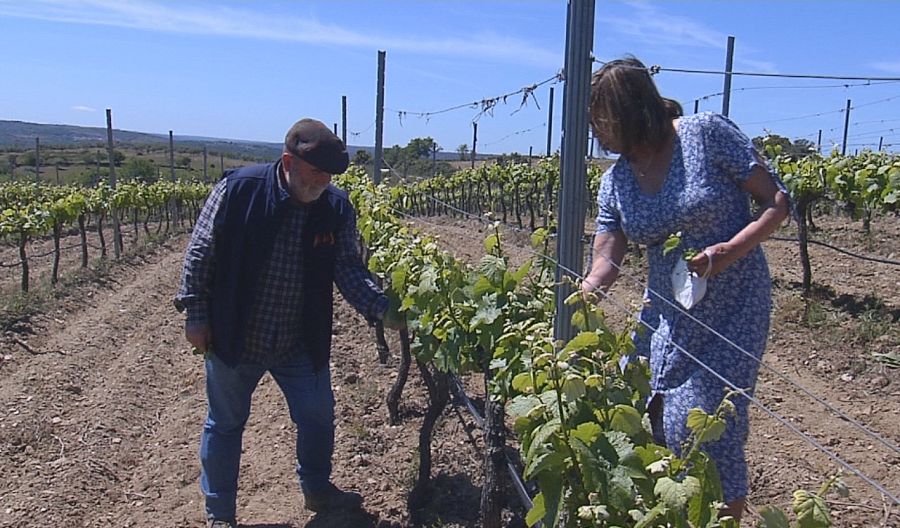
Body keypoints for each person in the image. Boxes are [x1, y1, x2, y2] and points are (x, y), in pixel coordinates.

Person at [581, 57, 790, 523]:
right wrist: (593, 283)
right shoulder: (617, 179)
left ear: (634, 111)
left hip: (733, 304)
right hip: (666, 310)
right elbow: (608, 245)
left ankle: (718, 517)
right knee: (644, 409)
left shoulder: (705, 134)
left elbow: (777, 201)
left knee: (707, 428)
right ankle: (676, 513)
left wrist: (729, 251)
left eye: (604, 122)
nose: (599, 134)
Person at [174, 118, 403, 528]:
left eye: (330, 175)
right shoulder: (238, 190)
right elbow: (200, 252)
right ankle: (219, 514)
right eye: (316, 172)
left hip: (299, 338)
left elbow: (348, 268)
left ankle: (316, 489)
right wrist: (196, 313)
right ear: (288, 162)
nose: (323, 182)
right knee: (225, 425)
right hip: (236, 332)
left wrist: (380, 307)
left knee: (317, 416)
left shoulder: (335, 207)